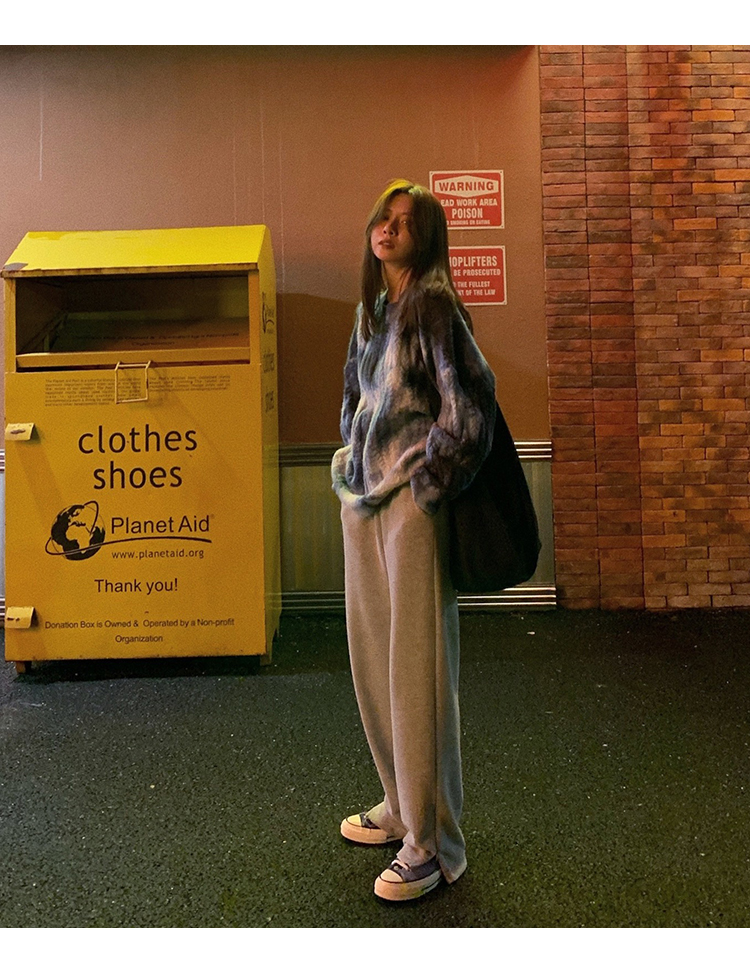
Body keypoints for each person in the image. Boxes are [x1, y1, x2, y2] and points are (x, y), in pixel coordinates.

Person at [331, 179, 497, 902]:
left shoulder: (434, 306)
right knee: (374, 662)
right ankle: (401, 804)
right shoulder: (373, 311)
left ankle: (432, 846)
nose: (389, 229)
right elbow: (354, 399)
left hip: (410, 509)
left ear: (425, 237)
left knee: (418, 673)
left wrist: (426, 487)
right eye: (383, 217)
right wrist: (351, 464)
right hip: (364, 502)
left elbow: (472, 405)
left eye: (404, 221)